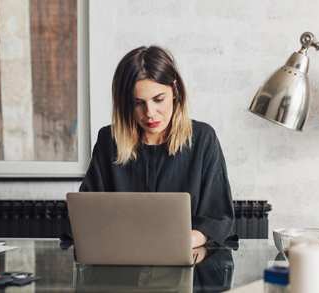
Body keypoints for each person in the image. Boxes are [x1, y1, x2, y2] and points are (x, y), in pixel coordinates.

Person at [79, 46, 234, 248]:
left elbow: (219, 218)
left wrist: (186, 240)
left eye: (158, 99)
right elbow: (86, 214)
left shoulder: (203, 139)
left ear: (175, 91)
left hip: (187, 263)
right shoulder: (109, 140)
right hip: (122, 262)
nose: (150, 113)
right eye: (138, 103)